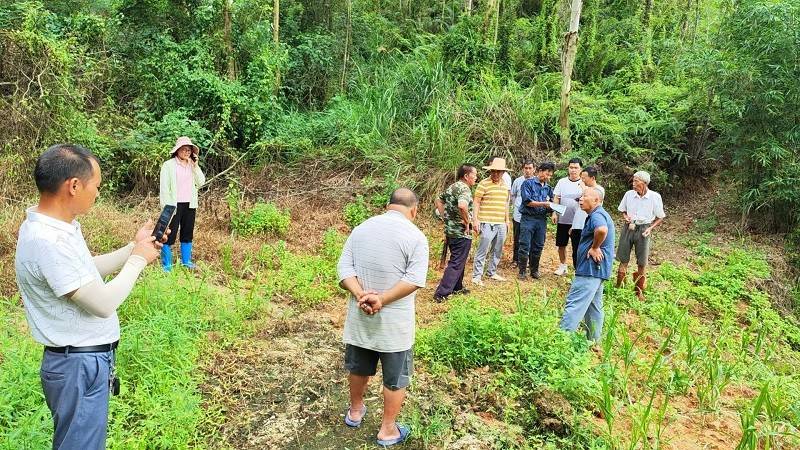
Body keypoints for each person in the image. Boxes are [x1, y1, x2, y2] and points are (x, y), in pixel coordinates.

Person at [14, 144, 163, 450]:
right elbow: (103, 304)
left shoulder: (56, 229)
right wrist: (138, 261)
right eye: (97, 186)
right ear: (74, 185)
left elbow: (85, 272)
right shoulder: (49, 240)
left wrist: (132, 249)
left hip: (80, 362)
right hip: (77, 366)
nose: (98, 193)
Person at [337, 188, 429, 448]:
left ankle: (355, 411)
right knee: (396, 377)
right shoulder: (416, 236)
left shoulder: (362, 228)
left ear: (388, 205)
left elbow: (344, 269)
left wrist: (360, 294)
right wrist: (382, 299)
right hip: (395, 325)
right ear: (414, 210)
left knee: (358, 366)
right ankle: (387, 430)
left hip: (360, 317)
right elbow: (414, 279)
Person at [559, 187, 615, 345]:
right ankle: (593, 342)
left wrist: (595, 247)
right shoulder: (597, 215)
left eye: (585, 196)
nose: (581, 199)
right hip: (597, 270)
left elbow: (602, 230)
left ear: (596, 200)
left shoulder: (597, 215)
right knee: (594, 307)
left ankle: (560, 341)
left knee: (575, 303)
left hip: (591, 269)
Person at [615, 170, 666, 300]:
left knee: (642, 262)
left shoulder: (654, 197)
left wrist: (650, 228)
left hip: (644, 229)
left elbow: (660, 217)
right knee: (623, 258)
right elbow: (623, 210)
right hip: (629, 227)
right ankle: (619, 288)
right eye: (633, 180)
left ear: (644, 183)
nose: (633, 183)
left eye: (636, 181)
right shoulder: (629, 194)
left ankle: (639, 291)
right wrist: (626, 217)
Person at [159, 136, 205, 271]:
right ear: (177, 150)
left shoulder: (192, 165)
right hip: (173, 204)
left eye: (189, 150)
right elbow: (164, 188)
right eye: (184, 149)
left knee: (187, 232)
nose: (187, 152)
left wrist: (196, 166)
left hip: (189, 204)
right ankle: (167, 265)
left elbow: (201, 182)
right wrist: (166, 208)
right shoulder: (169, 165)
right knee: (169, 234)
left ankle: (186, 262)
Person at [433, 164, 478, 301]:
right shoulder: (464, 189)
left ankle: (457, 287)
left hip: (451, 230)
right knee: (457, 262)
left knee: (460, 259)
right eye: (474, 175)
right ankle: (442, 293)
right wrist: (467, 221)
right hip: (460, 232)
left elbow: (438, 200)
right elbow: (462, 205)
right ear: (466, 176)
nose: (476, 177)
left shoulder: (453, 186)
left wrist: (444, 217)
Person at [471, 158, 511, 286]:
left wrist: (507, 220)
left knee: (497, 249)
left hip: (500, 222)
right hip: (486, 221)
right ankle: (477, 276)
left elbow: (505, 203)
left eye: (498, 172)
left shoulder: (505, 185)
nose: (495, 174)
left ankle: (491, 271)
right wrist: (475, 220)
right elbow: (476, 202)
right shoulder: (483, 183)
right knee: (483, 249)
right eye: (493, 171)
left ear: (503, 172)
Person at [517, 162, 556, 280]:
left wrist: (553, 210)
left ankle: (534, 269)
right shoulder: (528, 183)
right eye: (546, 174)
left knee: (538, 245)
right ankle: (522, 270)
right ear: (539, 171)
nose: (548, 177)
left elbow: (554, 202)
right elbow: (527, 201)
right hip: (528, 218)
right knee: (525, 244)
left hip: (541, 220)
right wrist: (545, 203)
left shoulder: (548, 188)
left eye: (550, 175)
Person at [552, 158, 583, 276]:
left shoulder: (583, 184)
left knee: (577, 246)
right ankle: (563, 265)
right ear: (568, 168)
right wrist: (554, 212)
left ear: (580, 169)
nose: (573, 170)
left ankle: (578, 269)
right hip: (563, 219)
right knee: (561, 244)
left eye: (576, 168)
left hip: (578, 221)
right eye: (571, 167)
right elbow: (556, 197)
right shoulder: (562, 182)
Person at [569, 166, 605, 269]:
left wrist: (583, 187)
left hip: (588, 227)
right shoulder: (583, 191)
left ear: (592, 178)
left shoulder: (599, 190)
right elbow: (578, 210)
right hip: (577, 225)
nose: (582, 180)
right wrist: (573, 225)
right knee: (576, 251)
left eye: (584, 178)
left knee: (586, 252)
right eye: (581, 178)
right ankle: (577, 274)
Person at [510, 160, 536, 267]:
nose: (528, 170)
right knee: (517, 237)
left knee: (531, 238)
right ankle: (516, 260)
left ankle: (529, 260)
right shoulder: (517, 181)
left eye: (530, 168)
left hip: (531, 215)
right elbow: (513, 195)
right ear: (523, 169)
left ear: (534, 169)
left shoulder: (536, 182)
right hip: (518, 214)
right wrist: (517, 206)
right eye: (526, 168)